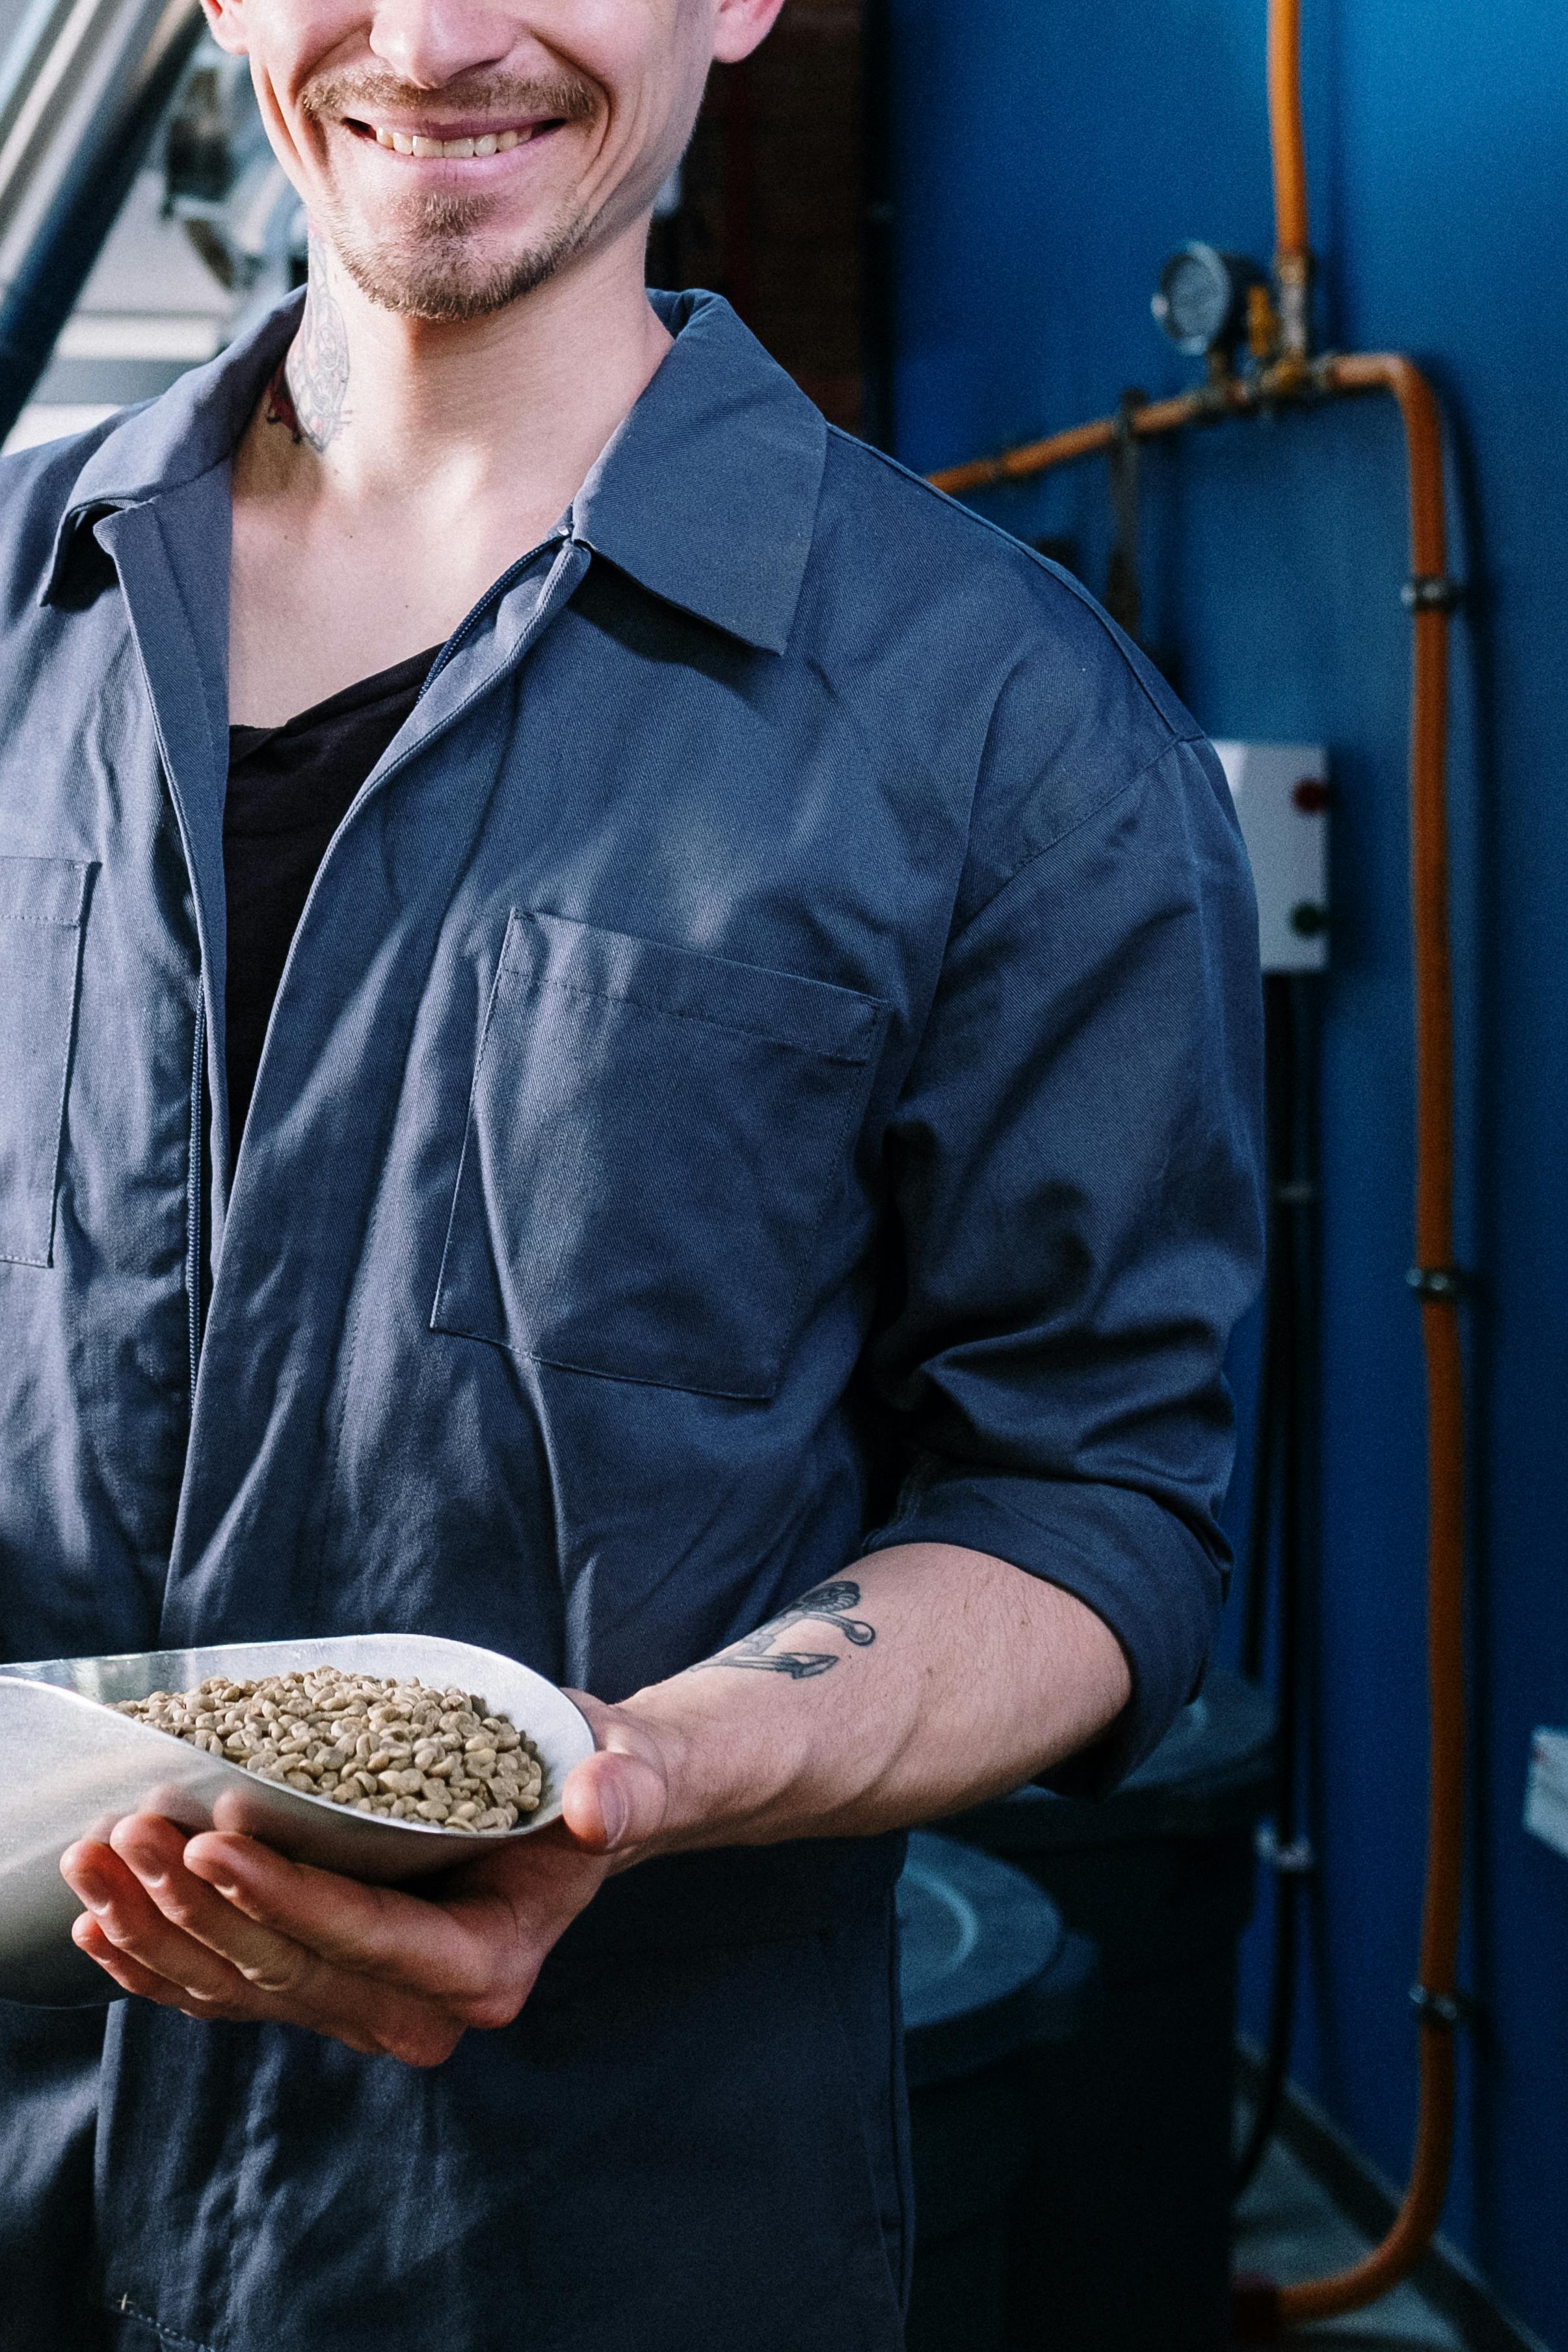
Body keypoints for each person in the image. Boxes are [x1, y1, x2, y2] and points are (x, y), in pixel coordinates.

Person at [0, 0, 1263, 2344]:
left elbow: (1095, 1510)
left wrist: (635, 1775)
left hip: (577, 2235)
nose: (448, 38)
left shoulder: (1003, 728)